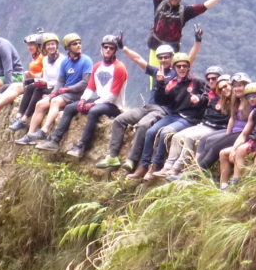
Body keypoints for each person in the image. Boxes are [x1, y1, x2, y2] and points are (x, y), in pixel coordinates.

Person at [96, 29, 202, 171]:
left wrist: (197, 41)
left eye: (166, 57)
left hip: (163, 109)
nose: (164, 60)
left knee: (143, 125)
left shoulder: (176, 73)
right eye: (161, 57)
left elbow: (190, 58)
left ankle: (132, 160)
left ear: (172, 58)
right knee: (120, 120)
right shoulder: (156, 71)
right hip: (148, 106)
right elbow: (138, 59)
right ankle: (113, 156)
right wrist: (123, 48)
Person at [36, 35, 128, 156]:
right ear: (102, 49)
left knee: (94, 111)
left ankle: (82, 145)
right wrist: (83, 100)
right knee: (69, 108)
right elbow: (90, 87)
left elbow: (113, 95)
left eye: (111, 48)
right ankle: (54, 140)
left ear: (115, 50)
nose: (108, 50)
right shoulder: (97, 67)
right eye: (106, 47)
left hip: (114, 105)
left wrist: (92, 104)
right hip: (101, 100)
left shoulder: (119, 68)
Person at [127, 52, 206, 180]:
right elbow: (162, 101)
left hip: (189, 118)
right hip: (175, 115)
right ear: (174, 67)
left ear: (188, 67)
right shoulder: (172, 83)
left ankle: (156, 165)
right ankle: (143, 165)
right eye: (178, 66)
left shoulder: (196, 82)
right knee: (151, 131)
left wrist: (199, 98)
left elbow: (208, 95)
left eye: (184, 66)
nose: (181, 69)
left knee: (165, 132)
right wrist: (160, 83)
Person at [14, 33, 93, 145]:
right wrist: (53, 93)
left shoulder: (86, 60)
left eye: (79, 43)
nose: (79, 46)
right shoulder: (66, 62)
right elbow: (61, 81)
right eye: (75, 44)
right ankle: (30, 135)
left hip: (77, 93)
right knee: (40, 104)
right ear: (68, 47)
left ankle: (44, 131)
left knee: (55, 101)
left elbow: (85, 82)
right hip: (66, 92)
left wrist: (67, 89)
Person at [152, 74, 233, 179]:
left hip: (216, 128)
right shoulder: (215, 98)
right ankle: (168, 166)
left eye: (226, 86)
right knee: (177, 136)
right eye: (221, 88)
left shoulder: (233, 102)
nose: (224, 89)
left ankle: (177, 168)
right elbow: (204, 99)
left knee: (190, 138)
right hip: (205, 124)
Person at [0, 31, 43, 120]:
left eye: (32, 45)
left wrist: (8, 84)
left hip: (14, 75)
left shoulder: (2, 46)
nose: (29, 47)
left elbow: (8, 68)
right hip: (18, 79)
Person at [196, 72, 251, 170]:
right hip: (235, 131)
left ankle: (195, 174)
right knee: (210, 142)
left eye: (240, 86)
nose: (237, 88)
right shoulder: (237, 100)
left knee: (215, 147)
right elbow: (232, 118)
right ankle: (195, 169)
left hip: (244, 133)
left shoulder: (251, 101)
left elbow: (251, 125)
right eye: (235, 86)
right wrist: (227, 134)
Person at [9, 32, 63, 131]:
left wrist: (45, 83)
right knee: (30, 86)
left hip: (57, 87)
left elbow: (61, 80)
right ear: (44, 47)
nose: (51, 47)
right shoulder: (46, 60)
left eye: (53, 44)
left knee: (37, 89)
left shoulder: (62, 60)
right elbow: (46, 77)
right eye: (48, 45)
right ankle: (18, 116)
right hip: (49, 84)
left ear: (57, 45)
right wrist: (38, 80)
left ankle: (24, 119)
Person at [218, 81, 256, 188]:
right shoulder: (254, 112)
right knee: (223, 153)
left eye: (254, 96)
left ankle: (236, 183)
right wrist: (234, 148)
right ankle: (224, 186)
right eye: (248, 96)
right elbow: (244, 134)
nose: (251, 99)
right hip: (252, 140)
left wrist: (237, 149)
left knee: (240, 151)